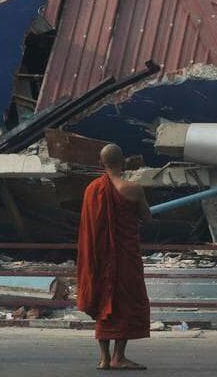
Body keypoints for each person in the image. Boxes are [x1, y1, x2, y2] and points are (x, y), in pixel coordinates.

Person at [77, 143, 152, 371]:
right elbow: (147, 218)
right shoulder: (134, 189)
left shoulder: (92, 189)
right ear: (124, 161)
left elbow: (87, 229)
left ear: (101, 163)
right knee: (125, 303)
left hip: (99, 260)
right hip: (126, 257)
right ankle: (119, 356)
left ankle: (104, 358)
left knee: (104, 303)